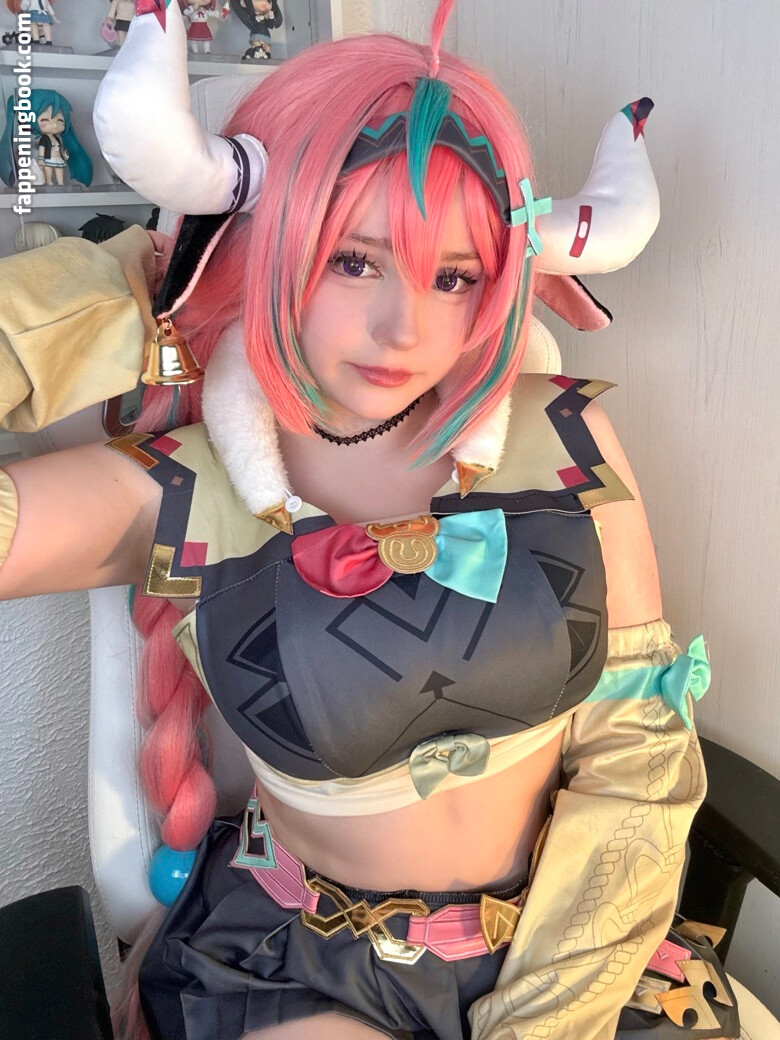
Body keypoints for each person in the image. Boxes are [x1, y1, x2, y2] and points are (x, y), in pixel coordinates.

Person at [0, 1, 738, 1039]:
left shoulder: (565, 437)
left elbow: (638, 748)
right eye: (354, 260)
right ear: (268, 245)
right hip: (305, 968)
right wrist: (124, 290)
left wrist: (546, 1014)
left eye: (454, 276)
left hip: (573, 945)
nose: (406, 328)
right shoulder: (181, 486)